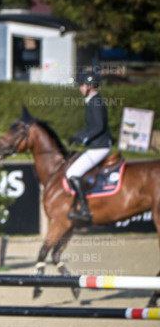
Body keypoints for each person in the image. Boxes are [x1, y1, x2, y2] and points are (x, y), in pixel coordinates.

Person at [65, 69, 112, 225]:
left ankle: (84, 209)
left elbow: (98, 127)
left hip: (100, 147)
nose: (80, 88)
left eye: (82, 85)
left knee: (72, 172)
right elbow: (90, 126)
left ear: (90, 85)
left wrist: (84, 139)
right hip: (97, 146)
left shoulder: (96, 102)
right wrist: (77, 136)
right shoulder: (93, 101)